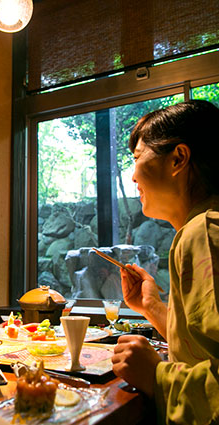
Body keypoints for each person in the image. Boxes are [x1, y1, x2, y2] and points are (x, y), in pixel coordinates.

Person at [111, 99, 219, 424]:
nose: (132, 176)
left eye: (138, 158)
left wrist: (156, 374)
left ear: (178, 159)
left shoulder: (203, 231)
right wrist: (152, 307)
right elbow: (201, 349)